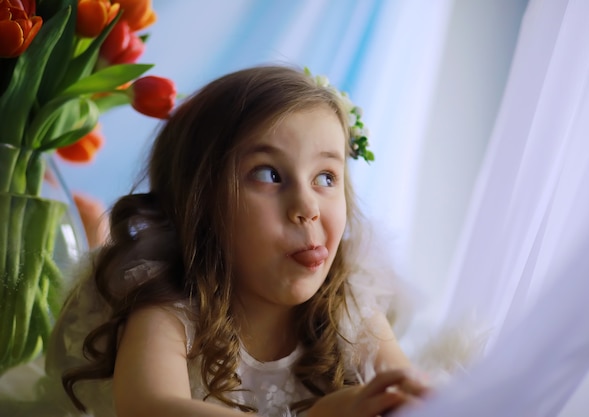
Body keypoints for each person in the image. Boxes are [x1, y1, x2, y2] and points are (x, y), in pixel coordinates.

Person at [47, 65, 428, 417]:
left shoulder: (348, 305)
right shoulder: (169, 306)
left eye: (326, 177)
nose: (307, 206)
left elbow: (407, 396)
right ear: (199, 202)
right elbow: (149, 407)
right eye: (269, 175)